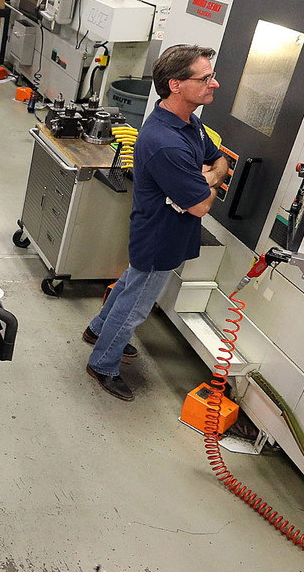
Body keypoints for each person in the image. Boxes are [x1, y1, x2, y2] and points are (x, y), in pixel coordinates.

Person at [85, 44, 229, 401]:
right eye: (205, 78)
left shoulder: (187, 122)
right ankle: (103, 363)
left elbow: (220, 160)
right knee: (136, 305)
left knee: (131, 283)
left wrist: (206, 177)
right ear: (176, 85)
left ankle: (97, 329)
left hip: (166, 230)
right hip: (160, 236)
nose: (214, 84)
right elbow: (200, 206)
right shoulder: (166, 143)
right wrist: (209, 182)